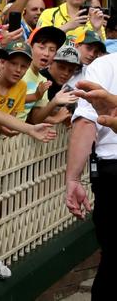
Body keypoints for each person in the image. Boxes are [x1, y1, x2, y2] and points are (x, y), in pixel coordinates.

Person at [65, 56, 117, 300]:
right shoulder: (103, 66)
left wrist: (73, 180)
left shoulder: (104, 66)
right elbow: (87, 121)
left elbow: (86, 122)